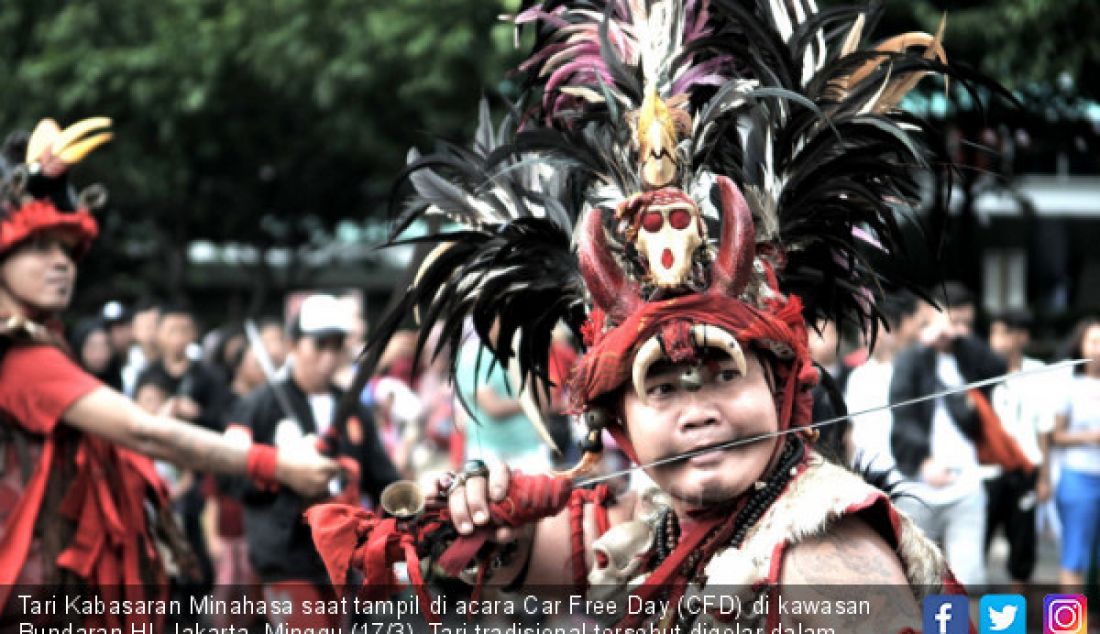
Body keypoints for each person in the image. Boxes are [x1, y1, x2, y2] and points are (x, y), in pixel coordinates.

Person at [307, 4, 978, 632]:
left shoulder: (825, 567)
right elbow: (534, 558)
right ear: (617, 422)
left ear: (783, 387)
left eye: (724, 374)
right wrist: (484, 527)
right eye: (662, 387)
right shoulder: (673, 515)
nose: (699, 412)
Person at [0, 117, 338, 622]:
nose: (61, 264)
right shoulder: (23, 357)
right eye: (40, 247)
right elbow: (146, 431)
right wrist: (278, 465)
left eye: (68, 250)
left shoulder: (41, 346)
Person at [229, 294, 399, 628]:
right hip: (284, 555)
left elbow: (382, 477)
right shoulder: (259, 406)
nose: (328, 356)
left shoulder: (352, 409)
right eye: (319, 344)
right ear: (293, 345)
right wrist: (282, 469)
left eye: (337, 346)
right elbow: (232, 477)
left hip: (339, 559)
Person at [889, 282, 1008, 587]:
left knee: (968, 578)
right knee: (916, 580)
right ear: (933, 315)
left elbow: (998, 368)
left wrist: (962, 338)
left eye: (967, 324)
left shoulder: (966, 356)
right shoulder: (911, 358)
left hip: (966, 483)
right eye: (955, 321)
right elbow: (902, 415)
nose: (960, 330)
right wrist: (924, 460)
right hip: (919, 484)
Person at [985, 309, 1049, 589]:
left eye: (1006, 333)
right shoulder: (979, 370)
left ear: (1021, 337)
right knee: (975, 546)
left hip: (1025, 470)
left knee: (1022, 548)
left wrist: (1044, 477)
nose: (1000, 341)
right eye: (995, 333)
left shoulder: (1038, 372)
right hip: (986, 473)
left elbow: (1043, 427)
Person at [1047, 317, 1100, 589]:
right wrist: (1091, 437)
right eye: (1094, 342)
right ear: (1081, 346)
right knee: (1073, 558)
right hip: (1079, 478)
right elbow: (1056, 435)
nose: (1098, 349)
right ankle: (1067, 631)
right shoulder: (1069, 385)